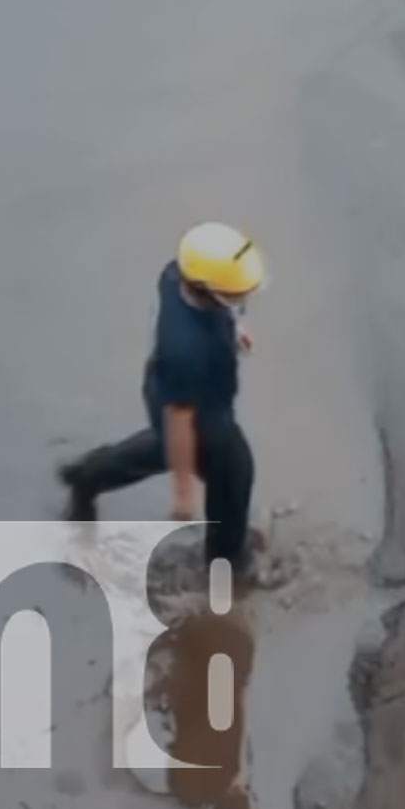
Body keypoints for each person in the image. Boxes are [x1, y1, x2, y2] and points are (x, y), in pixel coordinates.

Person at [57, 222, 265, 579]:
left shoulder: (176, 273)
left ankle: (87, 476)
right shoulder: (185, 349)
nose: (241, 300)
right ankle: (226, 566)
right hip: (196, 410)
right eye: (235, 295)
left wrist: (232, 328)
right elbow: (180, 419)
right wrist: (182, 490)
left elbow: (214, 302)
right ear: (205, 290)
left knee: (162, 445)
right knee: (233, 470)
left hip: (164, 386)